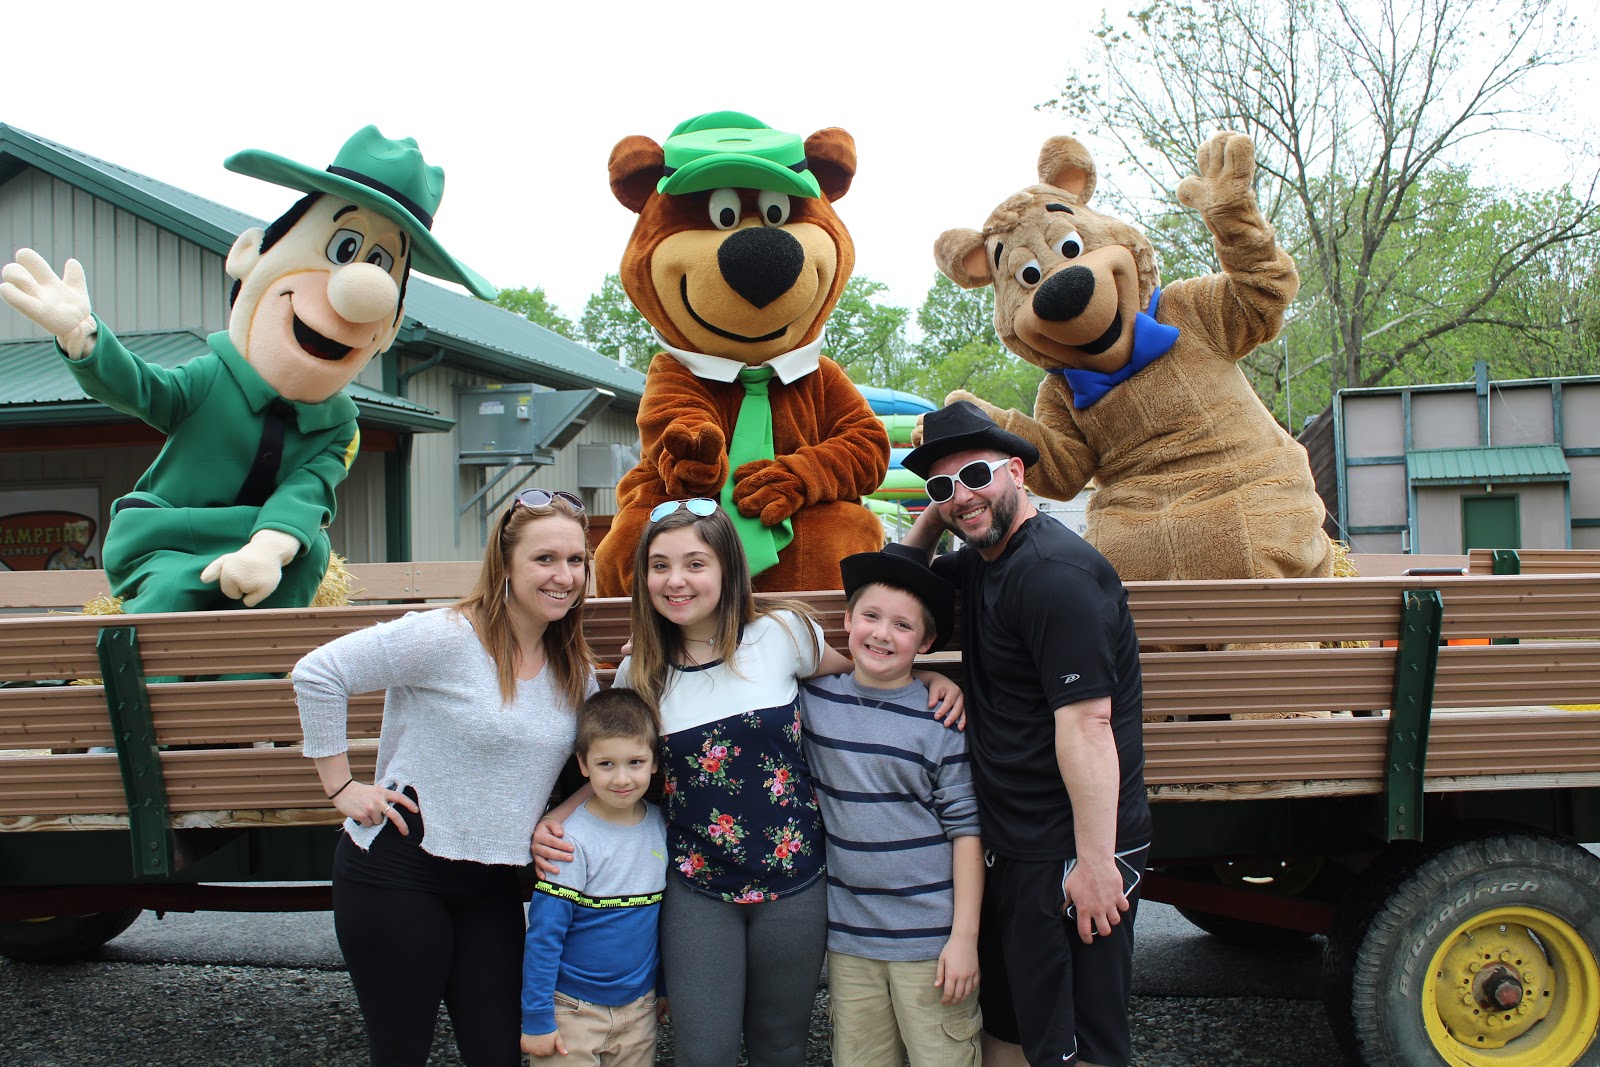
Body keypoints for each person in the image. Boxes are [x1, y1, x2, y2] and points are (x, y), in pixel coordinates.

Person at [537, 498, 962, 1067]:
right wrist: (559, 816)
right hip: (698, 887)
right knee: (703, 1050)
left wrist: (929, 677)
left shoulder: (783, 634)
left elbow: (864, 678)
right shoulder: (640, 673)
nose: (676, 580)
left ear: (727, 569)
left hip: (795, 884)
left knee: (780, 1045)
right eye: (659, 565)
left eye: (695, 563)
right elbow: (619, 763)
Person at [292, 488, 595, 1067]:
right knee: (403, 1052)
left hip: (493, 887)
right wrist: (341, 786)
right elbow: (318, 673)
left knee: (498, 1053)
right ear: (504, 564)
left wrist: (558, 814)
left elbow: (602, 759)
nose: (564, 576)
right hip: (400, 875)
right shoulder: (446, 636)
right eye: (544, 559)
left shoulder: (572, 669)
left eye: (576, 560)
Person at [901, 401, 1152, 1067]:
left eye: (978, 474)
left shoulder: (1054, 575)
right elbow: (894, 583)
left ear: (1018, 470)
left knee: (1080, 1044)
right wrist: (950, 502)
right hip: (1014, 843)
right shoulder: (985, 559)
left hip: (1069, 848)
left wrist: (1097, 864)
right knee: (1014, 1027)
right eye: (940, 485)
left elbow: (1089, 725)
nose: (961, 495)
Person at [801, 544, 983, 1067]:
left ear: (925, 641)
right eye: (871, 617)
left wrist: (964, 939)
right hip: (850, 938)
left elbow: (966, 831)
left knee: (942, 1055)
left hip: (931, 942)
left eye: (902, 626)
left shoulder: (941, 723)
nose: (882, 633)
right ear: (847, 621)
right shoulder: (816, 702)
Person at [521, 686, 667, 1066]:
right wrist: (536, 1019)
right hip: (572, 1009)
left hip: (639, 1008)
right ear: (583, 766)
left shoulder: (661, 829)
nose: (622, 778)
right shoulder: (570, 842)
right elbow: (544, 934)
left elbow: (662, 924)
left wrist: (663, 989)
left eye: (635, 762)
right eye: (606, 765)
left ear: (654, 762)